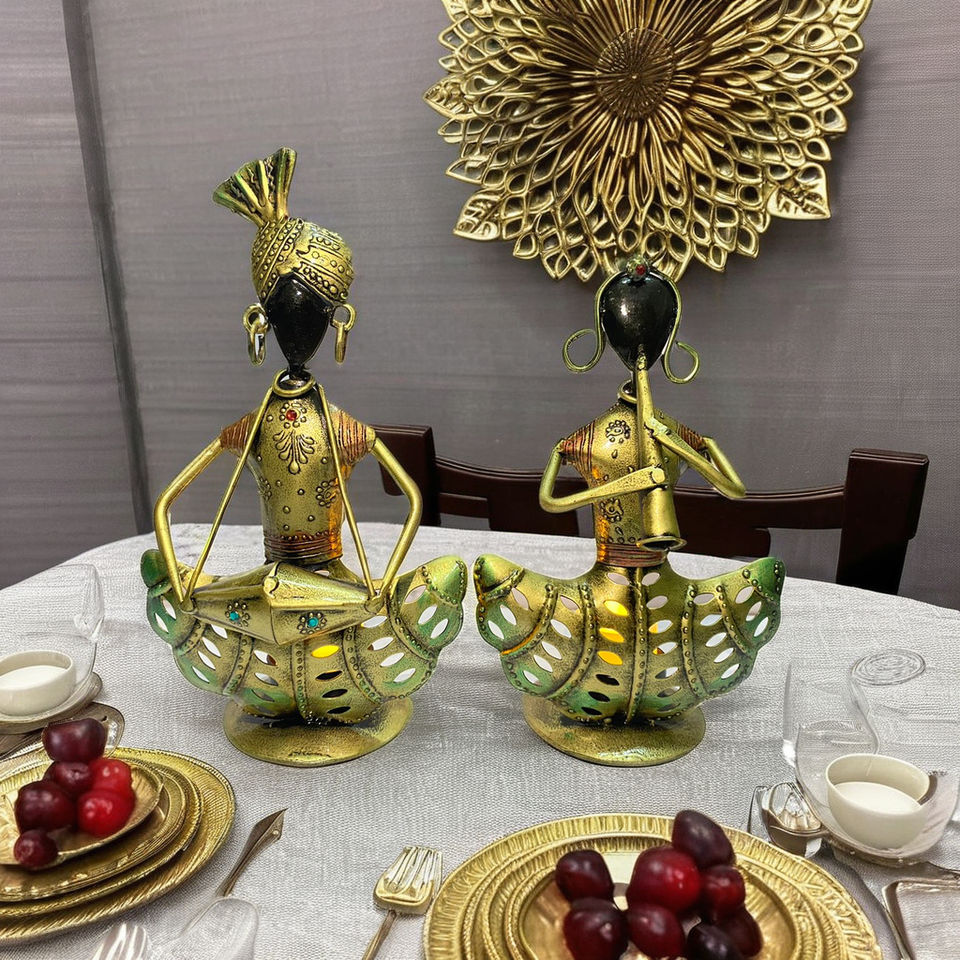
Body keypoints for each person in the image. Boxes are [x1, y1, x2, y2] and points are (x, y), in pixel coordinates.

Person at [142, 148, 465, 724]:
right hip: (325, 590)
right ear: (341, 321)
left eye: (309, 317)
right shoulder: (338, 427)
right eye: (296, 317)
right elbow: (414, 500)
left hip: (297, 587)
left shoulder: (266, 426)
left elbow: (166, 503)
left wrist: (186, 589)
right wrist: (379, 587)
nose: (300, 331)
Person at [474, 257, 783, 724]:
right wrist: (635, 480)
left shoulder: (636, 434)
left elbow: (734, 489)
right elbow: (550, 502)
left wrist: (672, 443)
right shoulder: (591, 438)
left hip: (654, 572)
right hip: (609, 573)